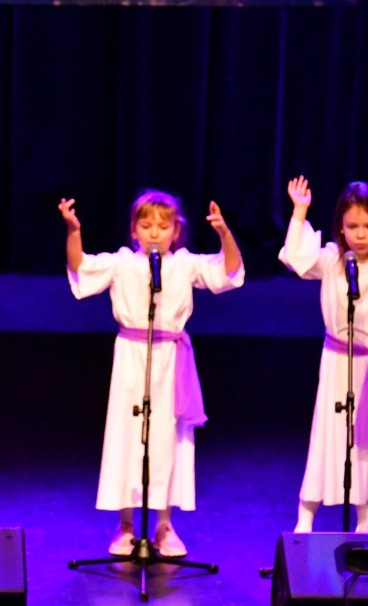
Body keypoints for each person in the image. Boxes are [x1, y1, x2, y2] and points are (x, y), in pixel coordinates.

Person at [62, 189, 243, 556]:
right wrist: (73, 229)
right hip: (132, 355)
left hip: (170, 358)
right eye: (146, 225)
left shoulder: (184, 264)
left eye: (163, 226)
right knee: (128, 437)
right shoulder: (123, 263)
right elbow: (80, 267)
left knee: (166, 440)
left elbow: (229, 271)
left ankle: (165, 525)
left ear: (176, 231)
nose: (155, 233)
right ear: (134, 230)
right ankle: (125, 525)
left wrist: (225, 233)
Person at [280, 176, 368, 533]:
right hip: (338, 362)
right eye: (353, 226)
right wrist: (300, 211)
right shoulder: (331, 259)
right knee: (328, 433)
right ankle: (304, 521)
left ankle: (365, 523)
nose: (361, 234)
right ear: (341, 226)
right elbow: (296, 259)